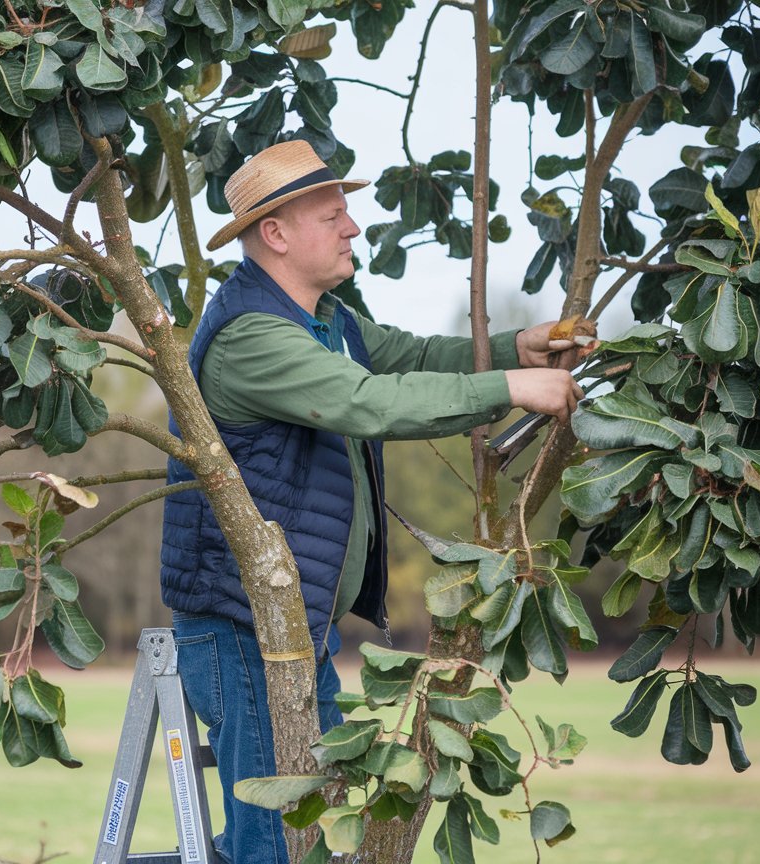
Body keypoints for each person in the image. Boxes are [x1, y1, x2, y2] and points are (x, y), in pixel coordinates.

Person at [159, 140, 584, 863]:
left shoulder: (326, 320)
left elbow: (412, 358)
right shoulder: (254, 336)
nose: (353, 227)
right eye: (334, 216)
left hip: (294, 624)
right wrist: (510, 390)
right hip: (244, 628)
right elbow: (366, 401)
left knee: (298, 834)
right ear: (277, 233)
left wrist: (520, 347)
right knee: (277, 843)